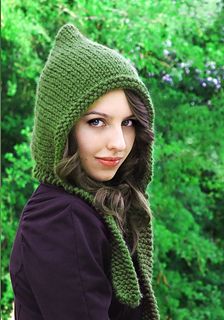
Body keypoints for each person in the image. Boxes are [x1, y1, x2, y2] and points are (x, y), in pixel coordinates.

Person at [9, 23, 160, 320]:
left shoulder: (96, 205)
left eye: (128, 123)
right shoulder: (61, 217)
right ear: (60, 130)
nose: (118, 143)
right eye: (96, 122)